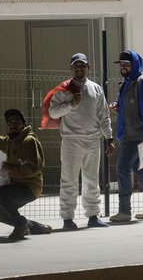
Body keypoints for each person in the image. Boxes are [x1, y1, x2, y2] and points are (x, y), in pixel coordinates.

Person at [50, 53, 114, 229]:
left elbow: (104, 115)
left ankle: (93, 216)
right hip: (71, 141)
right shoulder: (64, 90)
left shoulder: (96, 89)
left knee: (92, 180)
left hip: (93, 140)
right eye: (76, 65)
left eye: (82, 65)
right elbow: (53, 113)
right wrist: (71, 104)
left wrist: (109, 137)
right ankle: (67, 219)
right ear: (71, 69)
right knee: (69, 180)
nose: (79, 68)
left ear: (88, 67)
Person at [0, 109, 51, 239]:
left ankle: (21, 224)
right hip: (17, 186)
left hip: (30, 187)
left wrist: (11, 169)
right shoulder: (9, 141)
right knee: (0, 215)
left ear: (23, 124)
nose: (13, 124)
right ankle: (38, 227)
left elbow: (34, 168)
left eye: (16, 121)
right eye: (10, 122)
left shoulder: (29, 141)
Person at [109, 50, 143, 222]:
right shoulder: (126, 83)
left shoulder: (142, 83)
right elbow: (132, 105)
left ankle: (124, 211)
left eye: (127, 64)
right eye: (122, 65)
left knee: (123, 168)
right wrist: (118, 106)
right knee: (141, 169)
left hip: (138, 135)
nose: (124, 67)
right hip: (131, 134)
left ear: (135, 64)